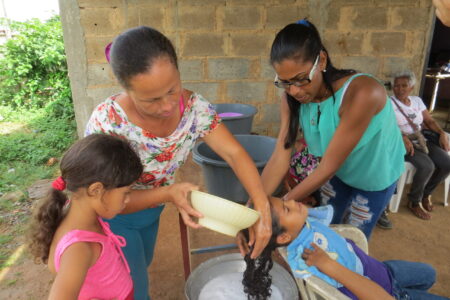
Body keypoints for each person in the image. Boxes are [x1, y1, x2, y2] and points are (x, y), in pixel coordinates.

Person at [85, 26, 272, 299]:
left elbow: (234, 153)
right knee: (131, 286)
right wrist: (168, 193)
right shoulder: (109, 123)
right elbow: (102, 199)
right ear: (126, 89)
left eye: (172, 90)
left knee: (142, 263)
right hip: (112, 218)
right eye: (150, 100)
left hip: (152, 211)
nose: (167, 106)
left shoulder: (195, 109)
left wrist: (262, 206)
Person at [259, 19, 405, 238]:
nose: (295, 91)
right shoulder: (291, 98)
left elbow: (327, 166)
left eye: (301, 79)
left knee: (351, 239)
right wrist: (257, 203)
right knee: (326, 229)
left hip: (374, 177)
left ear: (322, 60)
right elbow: (282, 151)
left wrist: (279, 209)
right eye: (285, 82)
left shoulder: (362, 93)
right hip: (339, 173)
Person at [240, 196, 448, 300]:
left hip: (381, 270)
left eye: (286, 200)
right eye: (287, 208)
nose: (293, 200)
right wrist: (327, 265)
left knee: (429, 274)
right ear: (284, 236)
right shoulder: (309, 258)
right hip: (387, 292)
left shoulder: (300, 227)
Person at [27, 134, 143, 300]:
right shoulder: (79, 248)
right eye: (125, 193)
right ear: (96, 190)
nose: (128, 199)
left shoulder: (77, 214)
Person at [390, 70, 450, 220]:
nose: (400, 89)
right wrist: (402, 136)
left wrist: (442, 133)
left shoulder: (416, 101)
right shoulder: (388, 103)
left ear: (411, 87)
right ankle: (414, 201)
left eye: (404, 85)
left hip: (421, 139)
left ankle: (426, 193)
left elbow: (429, 121)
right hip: (401, 142)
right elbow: (386, 126)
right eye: (396, 86)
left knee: (447, 163)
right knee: (427, 166)